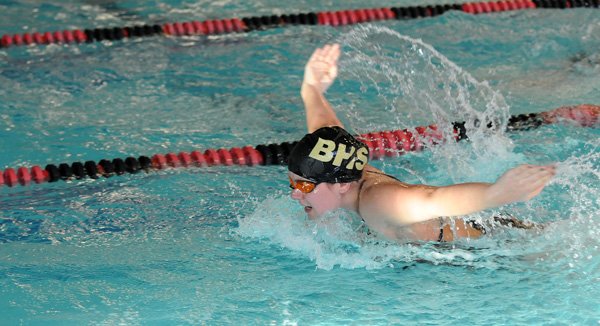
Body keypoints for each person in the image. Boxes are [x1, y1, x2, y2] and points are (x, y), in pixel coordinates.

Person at [287, 44, 557, 242]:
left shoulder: (380, 203)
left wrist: (496, 193)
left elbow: (431, 199)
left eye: (303, 186)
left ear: (342, 185)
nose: (294, 194)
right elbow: (325, 130)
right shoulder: (343, 166)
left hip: (496, 246)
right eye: (293, 183)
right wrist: (311, 88)